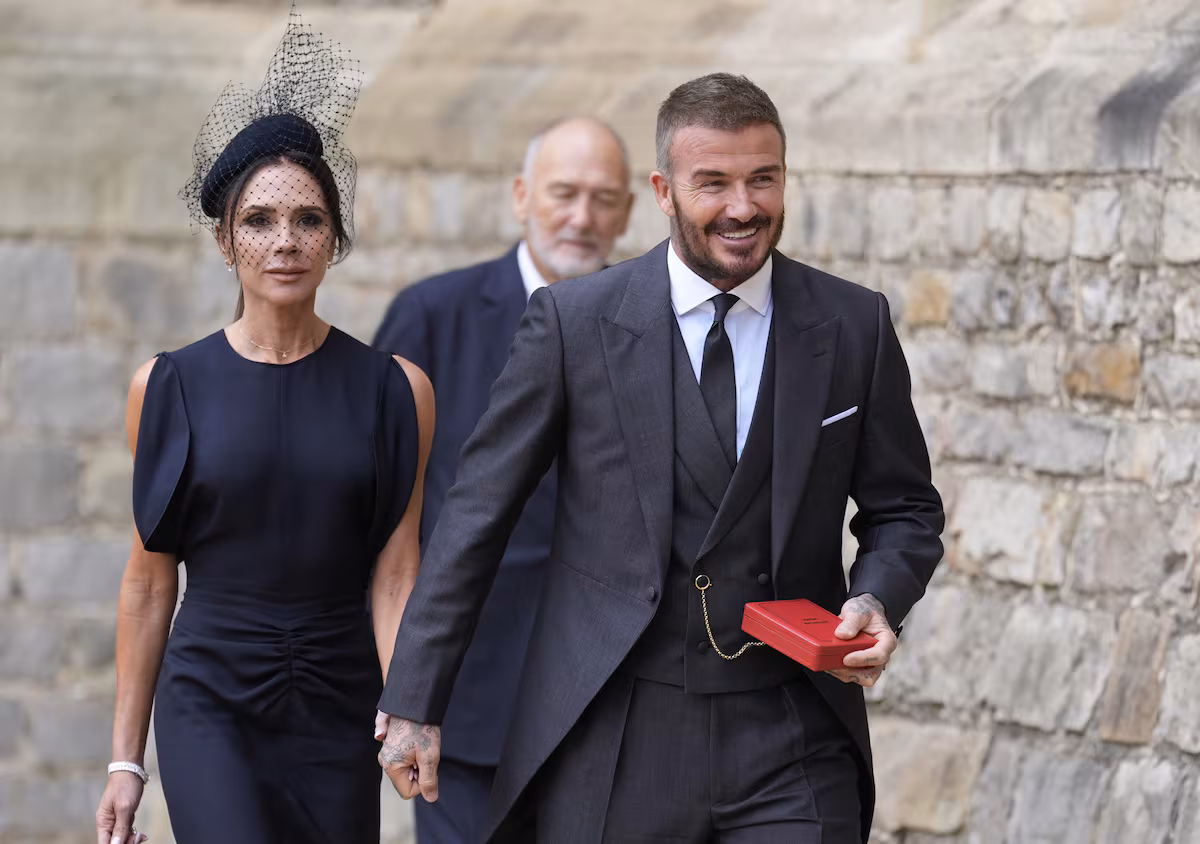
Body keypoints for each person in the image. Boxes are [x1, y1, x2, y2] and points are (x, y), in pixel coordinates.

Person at [377, 73, 944, 844]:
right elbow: (476, 514)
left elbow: (904, 508)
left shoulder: (853, 323)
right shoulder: (573, 324)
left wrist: (876, 597)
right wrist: (414, 698)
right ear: (663, 192)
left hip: (793, 732)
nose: (743, 207)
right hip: (619, 732)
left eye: (763, 179)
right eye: (713, 183)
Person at [94, 13, 434, 844]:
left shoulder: (397, 390)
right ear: (224, 239)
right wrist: (125, 762)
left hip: (341, 696)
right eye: (258, 221)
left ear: (334, 238)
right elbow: (148, 584)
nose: (286, 242)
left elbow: (397, 575)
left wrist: (411, 707)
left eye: (309, 220)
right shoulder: (166, 387)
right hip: (209, 697)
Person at [372, 115, 633, 844]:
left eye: (602, 199)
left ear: (629, 212)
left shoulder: (657, 324)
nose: (582, 217)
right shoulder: (431, 317)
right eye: (563, 193)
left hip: (608, 696)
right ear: (522, 196)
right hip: (466, 694)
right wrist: (404, 681)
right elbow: (378, 515)